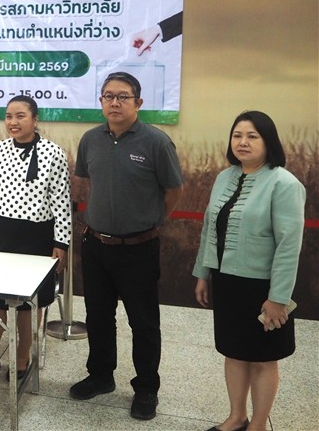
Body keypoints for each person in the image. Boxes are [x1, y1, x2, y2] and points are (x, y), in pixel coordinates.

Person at [69, 71, 183, 421]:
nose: (115, 102)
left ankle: (146, 388)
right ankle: (101, 376)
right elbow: (89, 182)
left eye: (123, 96)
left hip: (138, 249)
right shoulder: (91, 139)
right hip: (96, 244)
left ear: (138, 103)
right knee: (98, 316)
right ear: (101, 101)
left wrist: (152, 220)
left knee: (143, 322)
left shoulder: (156, 142)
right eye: (108, 96)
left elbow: (173, 190)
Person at [193, 111, 305, 431]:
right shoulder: (224, 177)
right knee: (234, 352)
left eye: (252, 136)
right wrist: (203, 273)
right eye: (237, 135)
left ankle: (257, 425)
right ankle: (236, 417)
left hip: (263, 287)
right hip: (228, 281)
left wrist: (278, 298)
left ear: (269, 141)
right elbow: (209, 229)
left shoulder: (284, 184)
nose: (243, 142)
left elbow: (288, 247)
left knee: (263, 358)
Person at [0, 95, 72, 383]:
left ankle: (22, 358)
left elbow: (61, 201)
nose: (13, 122)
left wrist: (61, 243)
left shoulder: (53, 152)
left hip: (37, 238)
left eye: (20, 116)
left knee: (27, 302)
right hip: (1, 235)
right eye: (9, 116)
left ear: (35, 119)